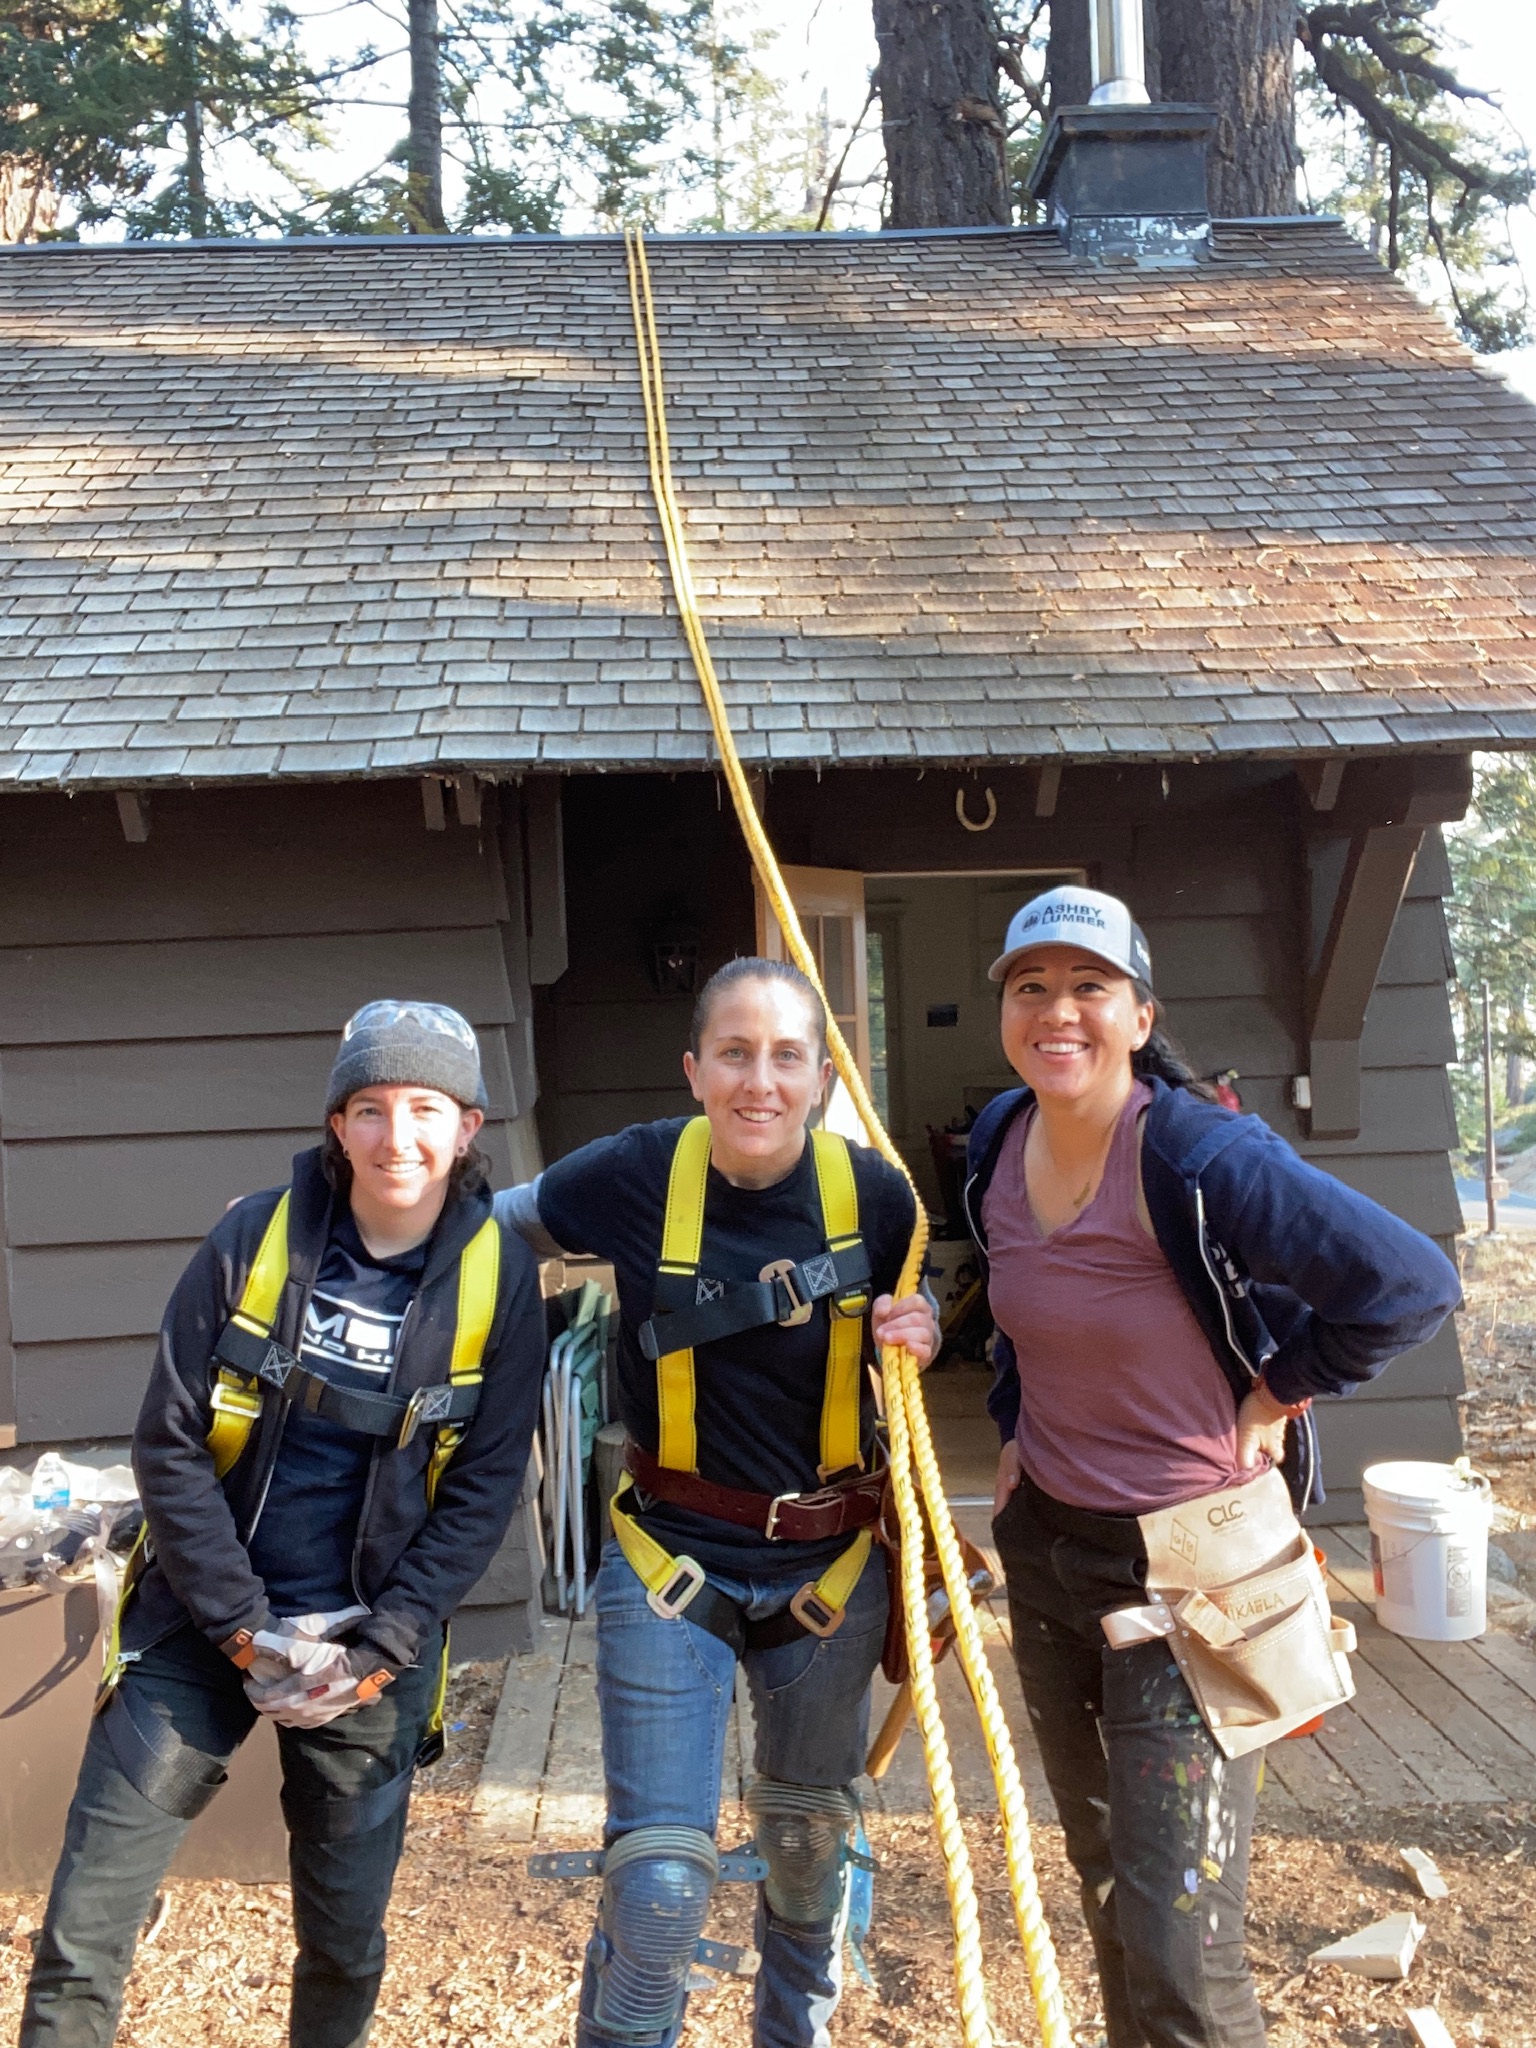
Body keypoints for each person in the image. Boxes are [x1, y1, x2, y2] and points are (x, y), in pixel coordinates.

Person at [966, 885, 1461, 2048]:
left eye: (1090, 986)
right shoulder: (998, 1135)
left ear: (1141, 1014)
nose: (1058, 1011)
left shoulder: (1195, 1149)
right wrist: (1013, 1419)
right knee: (1106, 1883)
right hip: (1048, 1551)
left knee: (1183, 1936)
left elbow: (1409, 1284)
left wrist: (1281, 1384)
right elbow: (1016, 1304)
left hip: (1197, 1577)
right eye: (1031, 986)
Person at [22, 1000, 546, 2048]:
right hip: (199, 1632)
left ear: (469, 1124)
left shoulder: (501, 1282)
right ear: (337, 1122)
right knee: (84, 1932)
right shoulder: (248, 1240)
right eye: (371, 1106)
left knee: (344, 1943)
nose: (398, 1136)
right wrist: (241, 1628)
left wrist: (383, 1646)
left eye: (426, 1107)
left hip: (367, 1656)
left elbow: (484, 1489)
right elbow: (168, 1442)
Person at [496, 955, 936, 2048]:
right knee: (656, 1885)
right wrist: (326, 1226)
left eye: (787, 1055)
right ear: (695, 1069)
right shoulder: (637, 1172)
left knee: (806, 1848)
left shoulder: (878, 1198)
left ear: (822, 1074)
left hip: (830, 1572)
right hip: (668, 1560)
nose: (760, 1081)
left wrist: (921, 1321)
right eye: (734, 1052)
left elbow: (926, 1296)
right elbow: (484, 1223)